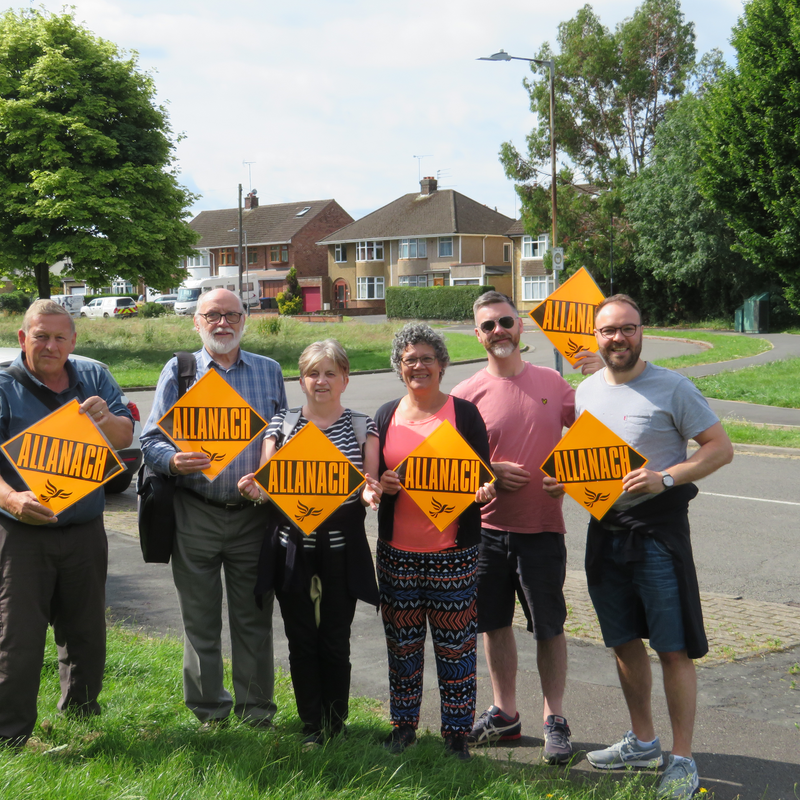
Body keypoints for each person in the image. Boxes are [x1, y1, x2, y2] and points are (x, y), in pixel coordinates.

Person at [544, 294, 733, 799]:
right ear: (596, 337)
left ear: (642, 331)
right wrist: (567, 480)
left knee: (672, 647)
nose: (618, 338)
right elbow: (594, 464)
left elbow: (720, 447)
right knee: (622, 640)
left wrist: (665, 478)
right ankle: (643, 741)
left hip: (658, 535)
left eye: (627, 328)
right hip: (605, 533)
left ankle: (683, 759)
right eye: (608, 331)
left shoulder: (672, 386)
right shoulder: (584, 392)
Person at [451, 290, 601, 764]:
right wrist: (487, 470)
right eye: (488, 325)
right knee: (494, 624)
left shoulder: (554, 382)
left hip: (542, 529)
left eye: (506, 322)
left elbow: (595, 436)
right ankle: (505, 713)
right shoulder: (464, 395)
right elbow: (450, 466)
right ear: (478, 336)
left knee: (549, 628)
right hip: (486, 532)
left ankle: (554, 717)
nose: (499, 331)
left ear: (521, 327)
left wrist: (602, 377)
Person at [140, 288, 287, 727]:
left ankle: (256, 711)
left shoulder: (269, 371)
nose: (222, 323)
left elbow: (281, 435)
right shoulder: (180, 370)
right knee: (200, 620)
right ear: (196, 321)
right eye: (212, 315)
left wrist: (271, 474)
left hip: (252, 516)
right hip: (195, 511)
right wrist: (172, 459)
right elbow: (150, 440)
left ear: (245, 319)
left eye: (231, 314)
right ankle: (209, 712)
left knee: (254, 620)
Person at [0, 300, 134, 746]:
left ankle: (81, 716)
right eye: (41, 336)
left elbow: (124, 437)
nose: (51, 345)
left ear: (73, 341)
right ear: (23, 338)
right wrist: (12, 498)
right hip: (21, 532)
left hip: (84, 529)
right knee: (17, 637)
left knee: (86, 633)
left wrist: (106, 419)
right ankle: (11, 734)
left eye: (60, 337)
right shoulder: (2, 386)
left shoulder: (93, 377)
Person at [238, 339, 382, 748]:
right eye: (313, 373)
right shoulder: (280, 425)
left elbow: (369, 486)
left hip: (342, 548)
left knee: (335, 639)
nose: (321, 381)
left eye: (330, 373)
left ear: (345, 379)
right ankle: (310, 726)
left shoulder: (361, 425)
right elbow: (267, 485)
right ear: (301, 380)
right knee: (301, 640)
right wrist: (255, 489)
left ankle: (336, 723)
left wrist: (371, 495)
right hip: (291, 549)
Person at [375, 323, 495, 761]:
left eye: (427, 358)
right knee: (401, 647)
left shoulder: (463, 414)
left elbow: (484, 476)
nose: (419, 366)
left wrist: (486, 489)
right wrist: (383, 483)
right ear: (399, 368)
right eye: (410, 360)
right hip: (397, 555)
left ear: (443, 364)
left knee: (456, 647)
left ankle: (456, 737)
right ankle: (403, 727)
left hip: (453, 554)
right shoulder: (386, 415)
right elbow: (374, 478)